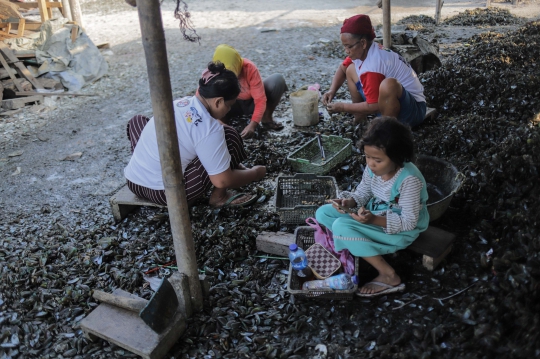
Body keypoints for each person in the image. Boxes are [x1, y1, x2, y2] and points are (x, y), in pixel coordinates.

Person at [124, 62, 266, 208]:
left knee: (137, 121)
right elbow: (222, 181)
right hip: (164, 193)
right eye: (229, 105)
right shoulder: (210, 129)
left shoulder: (181, 102)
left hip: (133, 182)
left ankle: (145, 167)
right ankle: (219, 197)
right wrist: (255, 173)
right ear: (218, 102)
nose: (229, 110)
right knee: (229, 136)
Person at [315, 116, 429, 297]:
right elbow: (363, 193)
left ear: (397, 157)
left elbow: (408, 222)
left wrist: (373, 220)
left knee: (340, 227)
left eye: (377, 160)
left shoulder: (409, 179)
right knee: (323, 213)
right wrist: (349, 203)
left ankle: (389, 275)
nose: (370, 164)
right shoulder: (372, 169)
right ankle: (358, 246)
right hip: (374, 212)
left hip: (399, 230)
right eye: (367, 157)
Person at [322, 15, 427, 127]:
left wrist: (342, 107)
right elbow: (342, 69)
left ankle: (387, 129)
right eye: (344, 46)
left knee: (389, 85)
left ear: (363, 43)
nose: (346, 51)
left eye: (348, 46)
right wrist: (332, 91)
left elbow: (374, 106)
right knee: (350, 70)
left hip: (413, 110)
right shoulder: (365, 51)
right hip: (391, 102)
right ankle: (360, 119)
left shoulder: (373, 65)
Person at [212, 44, 288, 139]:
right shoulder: (212, 72)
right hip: (230, 107)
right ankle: (224, 124)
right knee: (215, 101)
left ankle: (266, 118)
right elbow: (202, 100)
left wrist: (253, 125)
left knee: (277, 80)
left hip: (250, 103)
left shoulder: (248, 67)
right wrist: (220, 124)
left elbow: (260, 99)